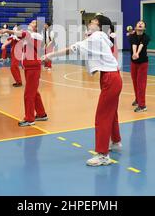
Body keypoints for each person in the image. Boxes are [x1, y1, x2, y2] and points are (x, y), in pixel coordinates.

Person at [43, 15, 122, 167]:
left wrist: (49, 55)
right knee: (111, 113)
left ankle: (102, 155)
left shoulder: (97, 36)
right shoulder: (102, 36)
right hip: (112, 76)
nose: (90, 23)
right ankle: (116, 141)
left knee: (102, 116)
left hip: (110, 78)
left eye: (93, 22)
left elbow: (72, 49)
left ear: (100, 26)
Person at [0, 20, 47, 127]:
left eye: (33, 23)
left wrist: (7, 30)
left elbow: (21, 34)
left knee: (28, 94)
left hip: (33, 68)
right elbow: (16, 37)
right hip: (29, 67)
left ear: (36, 28)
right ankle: (41, 114)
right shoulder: (30, 36)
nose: (30, 23)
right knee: (34, 93)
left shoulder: (35, 35)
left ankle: (29, 119)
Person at [129, 21, 150, 112]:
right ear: (135, 26)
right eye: (138, 23)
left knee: (141, 83)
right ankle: (138, 100)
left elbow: (141, 45)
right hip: (134, 63)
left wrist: (137, 53)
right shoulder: (132, 36)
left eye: (142, 24)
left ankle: (142, 105)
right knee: (135, 82)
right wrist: (134, 54)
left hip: (143, 63)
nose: (140, 24)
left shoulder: (146, 37)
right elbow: (134, 44)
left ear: (144, 28)